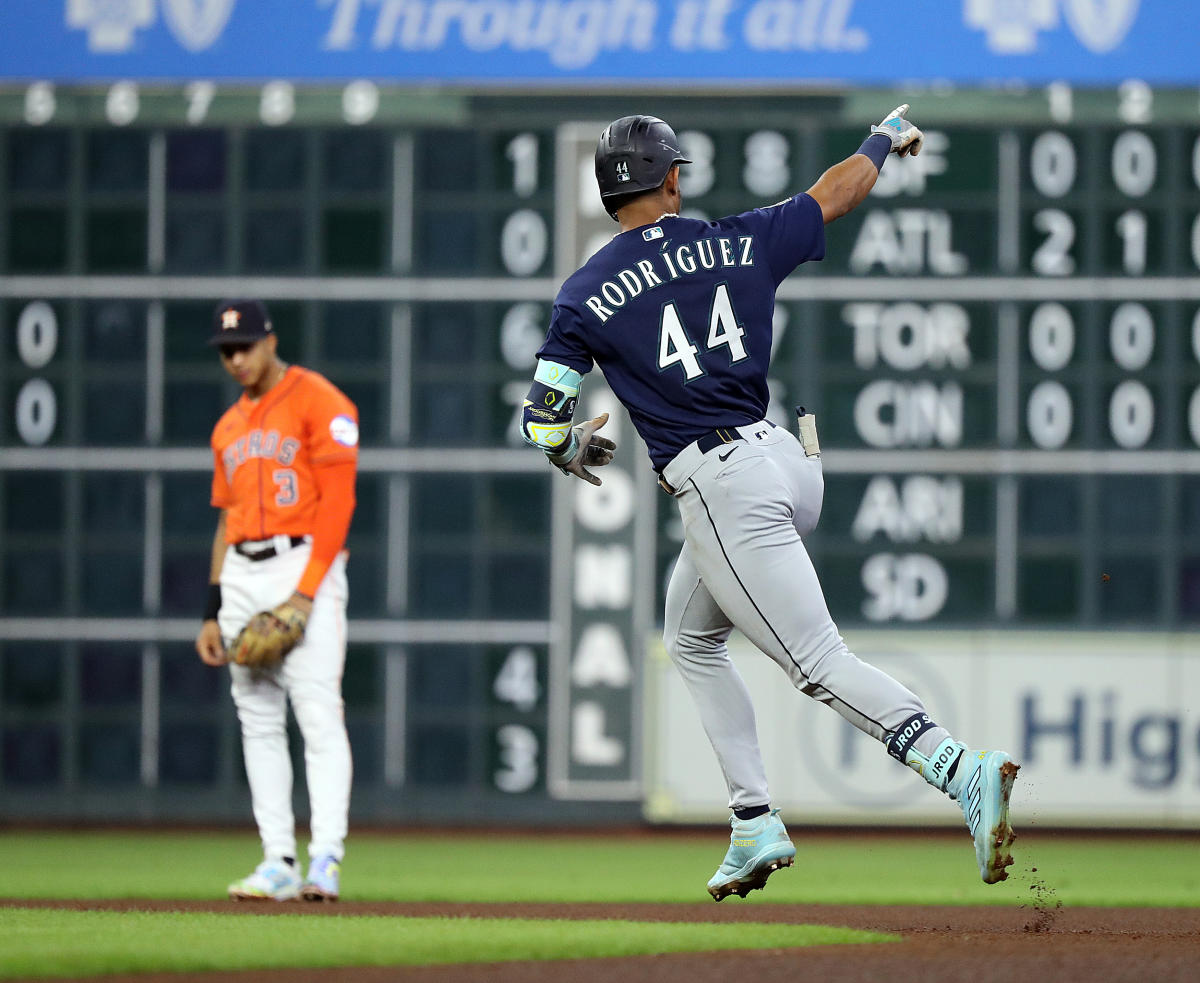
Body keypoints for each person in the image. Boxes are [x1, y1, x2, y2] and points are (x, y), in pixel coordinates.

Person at [520, 109, 1020, 901]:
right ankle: (753, 819)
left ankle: (961, 767)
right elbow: (836, 193)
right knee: (689, 637)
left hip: (721, 486)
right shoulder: (735, 238)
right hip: (785, 461)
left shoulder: (584, 294)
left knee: (817, 662)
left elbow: (543, 419)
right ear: (672, 178)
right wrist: (882, 139)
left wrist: (572, 447)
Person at [194, 299, 358, 902]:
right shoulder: (227, 428)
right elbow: (226, 520)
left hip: (303, 557)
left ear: (270, 341)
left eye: (244, 346)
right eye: (225, 350)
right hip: (241, 569)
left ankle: (327, 861)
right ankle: (278, 861)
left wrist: (306, 593)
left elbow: (338, 506)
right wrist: (212, 609)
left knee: (317, 712)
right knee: (257, 718)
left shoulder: (322, 400)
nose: (235, 359)